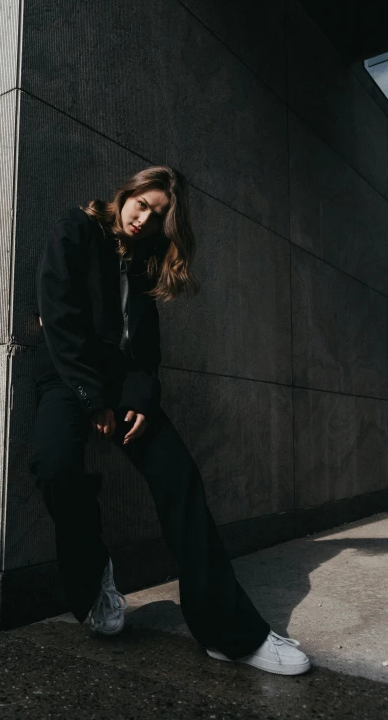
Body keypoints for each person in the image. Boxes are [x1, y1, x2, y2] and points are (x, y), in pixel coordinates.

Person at [28, 165, 310, 676]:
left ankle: (231, 634)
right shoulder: (75, 228)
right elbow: (58, 314)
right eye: (143, 204)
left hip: (122, 388)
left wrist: (138, 394)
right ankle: (93, 583)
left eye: (158, 215)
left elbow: (146, 348)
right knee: (54, 466)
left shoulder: (143, 263)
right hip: (67, 376)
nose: (144, 218)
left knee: (179, 480)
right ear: (127, 193)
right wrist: (93, 398)